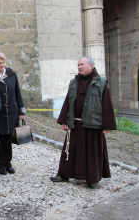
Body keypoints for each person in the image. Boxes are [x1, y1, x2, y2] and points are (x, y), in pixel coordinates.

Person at [50, 56, 117, 189]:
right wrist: (64, 120)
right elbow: (68, 101)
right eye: (78, 65)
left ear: (91, 66)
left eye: (82, 64)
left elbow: (107, 105)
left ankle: (92, 179)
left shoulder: (101, 83)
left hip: (93, 124)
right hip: (75, 123)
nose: (79, 67)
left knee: (92, 152)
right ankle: (64, 174)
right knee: (70, 150)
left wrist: (107, 125)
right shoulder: (74, 82)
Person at [0, 52, 26, 175]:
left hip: (11, 112)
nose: (2, 65)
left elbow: (17, 92)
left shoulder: (12, 74)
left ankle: (8, 163)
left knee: (8, 140)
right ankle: (0, 165)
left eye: (3, 62)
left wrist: (20, 111)